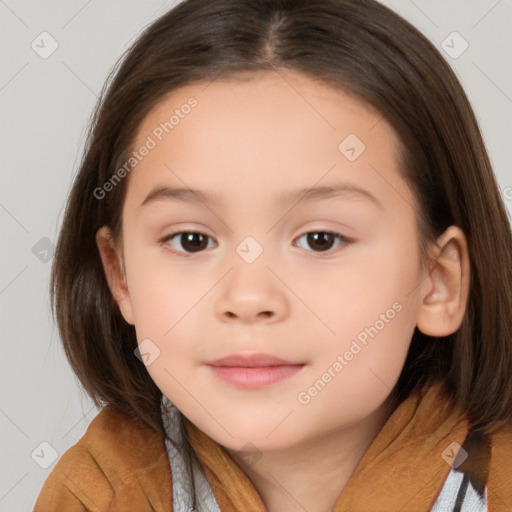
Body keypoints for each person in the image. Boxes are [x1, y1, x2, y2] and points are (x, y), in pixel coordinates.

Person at [33, 0, 512, 511]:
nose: (248, 297)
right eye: (191, 240)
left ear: (437, 282)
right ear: (121, 275)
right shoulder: (100, 494)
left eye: (320, 239)